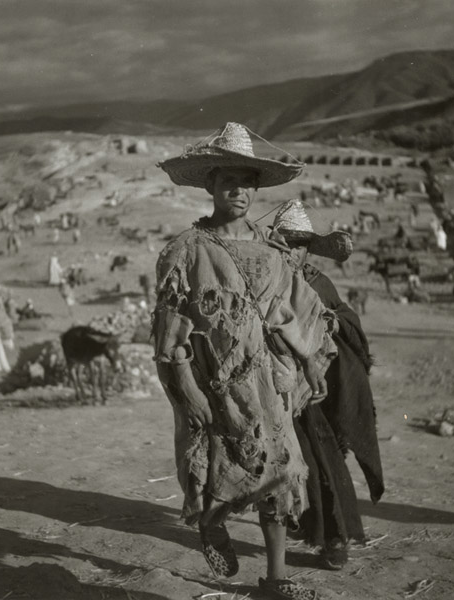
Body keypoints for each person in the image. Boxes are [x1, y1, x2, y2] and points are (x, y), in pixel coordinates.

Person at [153, 123, 338, 600]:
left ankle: (275, 580)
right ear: (210, 184)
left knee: (279, 472)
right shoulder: (186, 252)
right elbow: (169, 335)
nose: (239, 191)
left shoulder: (273, 253)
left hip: (266, 383)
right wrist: (187, 392)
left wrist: (313, 363)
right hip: (214, 383)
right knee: (218, 469)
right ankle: (212, 522)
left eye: (248, 182)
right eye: (229, 181)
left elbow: (291, 314)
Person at [270, 200, 384, 568]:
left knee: (323, 460)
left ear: (308, 250)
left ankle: (335, 538)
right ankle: (299, 533)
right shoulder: (263, 281)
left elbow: (347, 319)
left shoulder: (318, 282)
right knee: (282, 463)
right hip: (272, 386)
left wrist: (331, 323)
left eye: (300, 244)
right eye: (286, 242)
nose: (293, 251)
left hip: (315, 391)